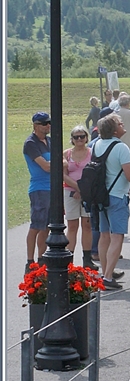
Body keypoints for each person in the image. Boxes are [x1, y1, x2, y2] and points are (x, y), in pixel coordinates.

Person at [93, 114, 130, 289]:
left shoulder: (97, 144)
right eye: (120, 124)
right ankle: (107, 277)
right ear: (115, 130)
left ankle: (105, 272)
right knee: (117, 236)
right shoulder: (121, 147)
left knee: (104, 235)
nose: (123, 125)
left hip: (101, 196)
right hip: (117, 195)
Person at [23, 112, 51, 270]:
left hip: (52, 188)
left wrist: (56, 162)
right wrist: (58, 162)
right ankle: (29, 261)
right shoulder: (31, 143)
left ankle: (42, 258)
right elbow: (45, 166)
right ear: (35, 125)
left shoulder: (49, 141)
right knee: (36, 225)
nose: (47, 126)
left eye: (49, 123)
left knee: (47, 227)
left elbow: (64, 162)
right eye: (44, 123)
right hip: (39, 189)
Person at [62, 126, 93, 266]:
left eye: (82, 136)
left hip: (88, 193)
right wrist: (77, 188)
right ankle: (69, 259)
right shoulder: (66, 154)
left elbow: (94, 173)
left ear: (87, 138)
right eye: (76, 137)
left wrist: (83, 191)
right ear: (72, 139)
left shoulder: (92, 153)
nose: (79, 139)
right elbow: (63, 175)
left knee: (87, 225)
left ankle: (87, 259)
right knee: (72, 226)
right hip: (70, 192)